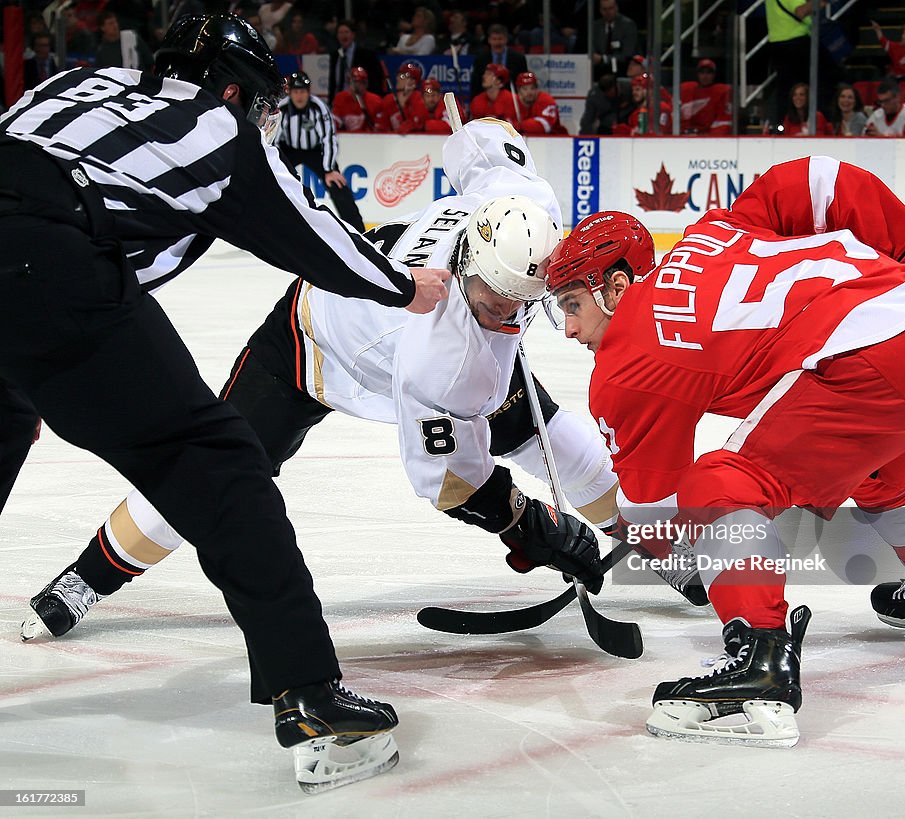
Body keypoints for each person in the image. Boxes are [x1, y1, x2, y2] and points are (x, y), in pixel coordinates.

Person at [0, 14, 449, 793]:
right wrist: (408, 287)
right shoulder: (215, 122)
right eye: (261, 102)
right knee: (213, 458)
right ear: (235, 87)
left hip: (29, 253)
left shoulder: (71, 80)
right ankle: (312, 697)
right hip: (49, 263)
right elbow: (311, 239)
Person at [22, 119, 617, 644]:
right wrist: (531, 526)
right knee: (207, 472)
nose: (512, 318)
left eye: (525, 304)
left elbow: (486, 146)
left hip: (413, 342)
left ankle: (661, 549)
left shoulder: (520, 207)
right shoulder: (451, 359)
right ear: (466, 268)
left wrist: (474, 137)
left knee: (569, 447)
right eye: (497, 303)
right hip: (312, 340)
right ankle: (87, 578)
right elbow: (449, 484)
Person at [544, 156, 905, 746]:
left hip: (867, 359)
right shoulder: (709, 233)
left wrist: (635, 541)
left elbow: (657, 510)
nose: (569, 329)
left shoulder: (624, 367)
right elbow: (818, 178)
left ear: (617, 286)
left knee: (722, 484)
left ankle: (758, 668)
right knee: (879, 466)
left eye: (571, 305)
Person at [277, 71, 366, 232]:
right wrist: (276, 167)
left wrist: (329, 169)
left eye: (302, 91)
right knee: (273, 183)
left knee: (338, 185)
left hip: (316, 151)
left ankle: (359, 231)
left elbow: (328, 138)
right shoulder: (282, 109)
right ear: (289, 92)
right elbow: (274, 141)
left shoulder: (318, 107)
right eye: (296, 92)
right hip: (288, 150)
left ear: (308, 92)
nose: (299, 96)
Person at [328, 19, 386, 101]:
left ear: (353, 35)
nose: (343, 35)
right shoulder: (335, 55)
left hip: (360, 100)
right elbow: (333, 83)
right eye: (340, 33)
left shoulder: (366, 55)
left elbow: (375, 81)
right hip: (339, 101)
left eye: (346, 32)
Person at [469, 24, 528, 97]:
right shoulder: (480, 59)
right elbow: (476, 84)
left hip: (512, 99)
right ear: (489, 40)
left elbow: (523, 84)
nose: (497, 43)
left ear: (506, 39)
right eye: (494, 39)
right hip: (487, 99)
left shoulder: (518, 59)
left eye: (500, 39)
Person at [678, 58, 731, 135]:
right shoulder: (686, 89)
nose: (705, 76)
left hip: (707, 136)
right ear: (697, 74)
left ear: (714, 75)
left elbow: (723, 122)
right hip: (685, 134)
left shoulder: (722, 91)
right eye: (702, 72)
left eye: (709, 73)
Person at [376, 61, 428, 133]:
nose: (398, 79)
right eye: (398, 75)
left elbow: (416, 126)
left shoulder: (419, 99)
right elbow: (381, 127)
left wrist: (403, 105)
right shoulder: (388, 99)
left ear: (413, 82)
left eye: (402, 76)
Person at [592, 0, 638, 79]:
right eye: (604, 9)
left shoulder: (628, 25)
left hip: (621, 69)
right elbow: (593, 50)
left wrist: (604, 59)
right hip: (599, 70)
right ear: (600, 10)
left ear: (616, 8)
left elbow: (627, 55)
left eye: (610, 8)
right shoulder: (596, 26)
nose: (608, 12)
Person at [332, 65, 383, 133]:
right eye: (356, 82)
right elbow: (335, 123)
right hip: (347, 139)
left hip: (368, 139)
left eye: (363, 83)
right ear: (350, 83)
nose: (360, 86)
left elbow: (380, 127)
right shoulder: (340, 98)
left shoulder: (375, 100)